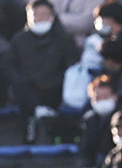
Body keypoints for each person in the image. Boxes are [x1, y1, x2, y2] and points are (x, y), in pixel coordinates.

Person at [7, 0, 80, 143]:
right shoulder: (19, 40)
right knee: (19, 84)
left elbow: (71, 66)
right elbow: (10, 67)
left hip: (56, 91)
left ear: (52, 16)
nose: (40, 19)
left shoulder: (64, 40)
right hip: (27, 93)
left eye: (44, 15)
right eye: (36, 15)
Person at [66, 75, 116, 168]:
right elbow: (85, 148)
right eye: (98, 98)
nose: (102, 101)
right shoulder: (90, 121)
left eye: (105, 97)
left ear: (114, 96)